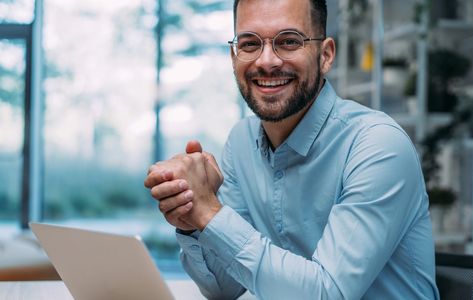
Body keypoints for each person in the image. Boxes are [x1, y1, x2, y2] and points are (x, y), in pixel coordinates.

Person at [144, 0, 440, 298]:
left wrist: (211, 215)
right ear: (234, 57)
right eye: (249, 44)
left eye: (288, 41)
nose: (267, 61)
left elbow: (327, 293)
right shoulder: (241, 142)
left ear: (325, 56)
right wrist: (193, 221)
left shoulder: (378, 145)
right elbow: (224, 289)